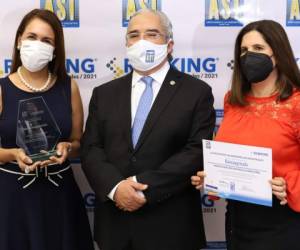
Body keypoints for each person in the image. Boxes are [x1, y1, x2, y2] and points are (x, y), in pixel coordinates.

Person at [81, 8, 215, 250]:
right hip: (116, 225)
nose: (141, 41)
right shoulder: (104, 94)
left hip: (172, 226)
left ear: (169, 44)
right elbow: (91, 148)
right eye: (134, 35)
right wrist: (116, 188)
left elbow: (196, 151)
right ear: (127, 44)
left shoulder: (197, 92)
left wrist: (143, 189)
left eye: (152, 34)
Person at [191, 20, 300, 250]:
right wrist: (212, 178)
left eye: (258, 49)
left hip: (284, 222)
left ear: (278, 54)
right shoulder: (232, 100)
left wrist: (289, 184)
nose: (249, 56)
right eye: (243, 50)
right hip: (237, 221)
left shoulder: (297, 104)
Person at [0, 9, 94, 250]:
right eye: (31, 37)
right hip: (14, 197)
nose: (37, 45)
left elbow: (78, 142)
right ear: (19, 40)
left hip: (60, 194)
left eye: (46, 40)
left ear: (55, 49)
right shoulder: (2, 89)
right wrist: (13, 154)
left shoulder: (67, 87)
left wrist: (68, 147)